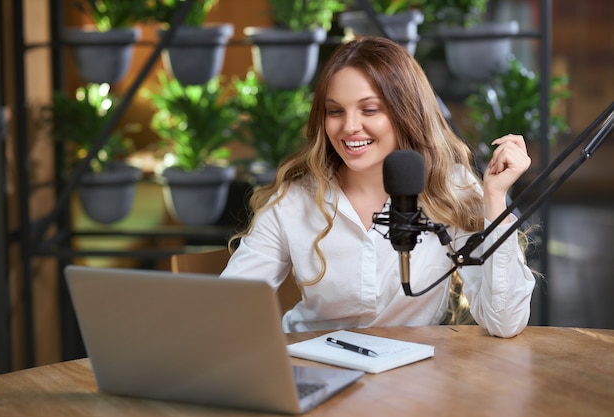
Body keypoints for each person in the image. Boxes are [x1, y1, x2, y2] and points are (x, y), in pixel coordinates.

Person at [220, 37, 536, 338]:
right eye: (335, 111)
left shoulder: (449, 187)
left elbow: (504, 321)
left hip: (411, 381)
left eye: (369, 110)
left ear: (405, 112)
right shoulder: (295, 198)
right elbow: (227, 305)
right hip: (315, 368)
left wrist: (494, 199)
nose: (349, 126)